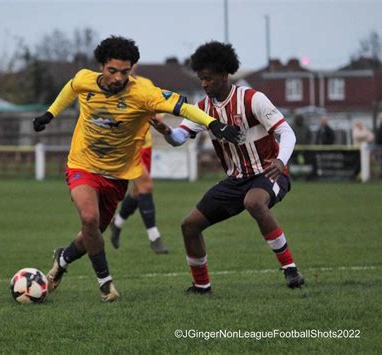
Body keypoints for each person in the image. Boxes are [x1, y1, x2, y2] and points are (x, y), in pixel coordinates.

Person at [32, 36, 242, 302]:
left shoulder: (143, 93)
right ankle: (105, 284)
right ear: (101, 66)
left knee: (92, 233)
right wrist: (49, 115)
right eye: (112, 71)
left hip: (118, 175)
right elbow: (71, 88)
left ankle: (62, 259)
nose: (119, 78)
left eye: (125, 71)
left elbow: (185, 107)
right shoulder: (85, 79)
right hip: (82, 164)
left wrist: (213, 124)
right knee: (89, 219)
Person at [151, 41, 304, 293]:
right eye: (201, 79)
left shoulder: (253, 99)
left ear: (224, 75)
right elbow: (180, 138)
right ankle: (202, 286)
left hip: (268, 173)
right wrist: (168, 132)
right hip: (236, 181)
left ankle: (290, 269)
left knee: (254, 202)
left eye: (208, 78)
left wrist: (280, 161)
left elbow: (287, 133)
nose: (204, 84)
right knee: (189, 225)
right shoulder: (204, 109)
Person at [110, 109, 169, 255]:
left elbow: (158, 115)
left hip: (146, 146)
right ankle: (154, 237)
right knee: (146, 186)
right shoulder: (119, 92)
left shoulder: (144, 89)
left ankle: (117, 223)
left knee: (137, 192)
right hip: (128, 147)